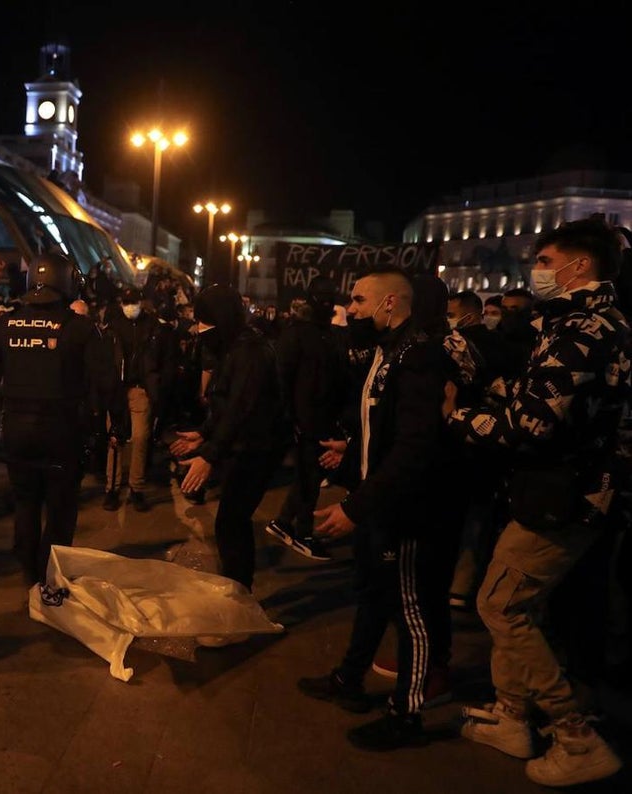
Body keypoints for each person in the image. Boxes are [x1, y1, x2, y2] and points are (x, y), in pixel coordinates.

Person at [448, 218, 628, 786]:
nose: (538, 270)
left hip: (563, 496)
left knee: (502, 605)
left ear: (578, 266)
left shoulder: (584, 328)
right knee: (518, 604)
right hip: (556, 491)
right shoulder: (589, 322)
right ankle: (511, 714)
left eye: (545, 260)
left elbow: (533, 423)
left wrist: (459, 417)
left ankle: (577, 737)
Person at [297, 266, 453, 752]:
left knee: (411, 611)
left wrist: (357, 508)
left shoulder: (419, 357)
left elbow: (415, 447)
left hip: (403, 511)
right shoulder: (390, 352)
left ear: (390, 303)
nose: (352, 310)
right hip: (377, 502)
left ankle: (406, 714)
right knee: (371, 594)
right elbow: (382, 427)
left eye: (360, 301)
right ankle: (350, 678)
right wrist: (351, 456)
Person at [0, 252, 120, 585]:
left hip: (16, 430)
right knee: (60, 508)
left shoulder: (5, 324)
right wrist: (118, 423)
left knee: (26, 502)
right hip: (63, 432)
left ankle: (29, 572)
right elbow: (107, 380)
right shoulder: (80, 328)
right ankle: (51, 576)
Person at [169, 284, 287, 592]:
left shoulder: (250, 352)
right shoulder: (235, 347)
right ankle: (237, 587)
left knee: (231, 521)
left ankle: (239, 594)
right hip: (243, 448)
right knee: (231, 521)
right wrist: (203, 434)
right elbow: (225, 403)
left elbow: (240, 409)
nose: (198, 329)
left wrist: (210, 454)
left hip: (255, 451)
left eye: (204, 321)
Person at [266, 276, 347, 561]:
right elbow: (282, 380)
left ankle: (285, 521)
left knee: (309, 476)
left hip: (323, 419)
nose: (326, 302)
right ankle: (302, 532)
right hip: (304, 421)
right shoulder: (297, 334)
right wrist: (291, 420)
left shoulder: (329, 334)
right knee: (309, 478)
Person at [100, 286, 173, 512]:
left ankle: (136, 488)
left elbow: (163, 358)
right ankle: (112, 488)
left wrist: (158, 385)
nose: (131, 306)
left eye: (134, 302)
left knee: (141, 438)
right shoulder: (113, 327)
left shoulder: (153, 327)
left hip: (142, 389)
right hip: (118, 391)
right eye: (127, 302)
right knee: (115, 440)